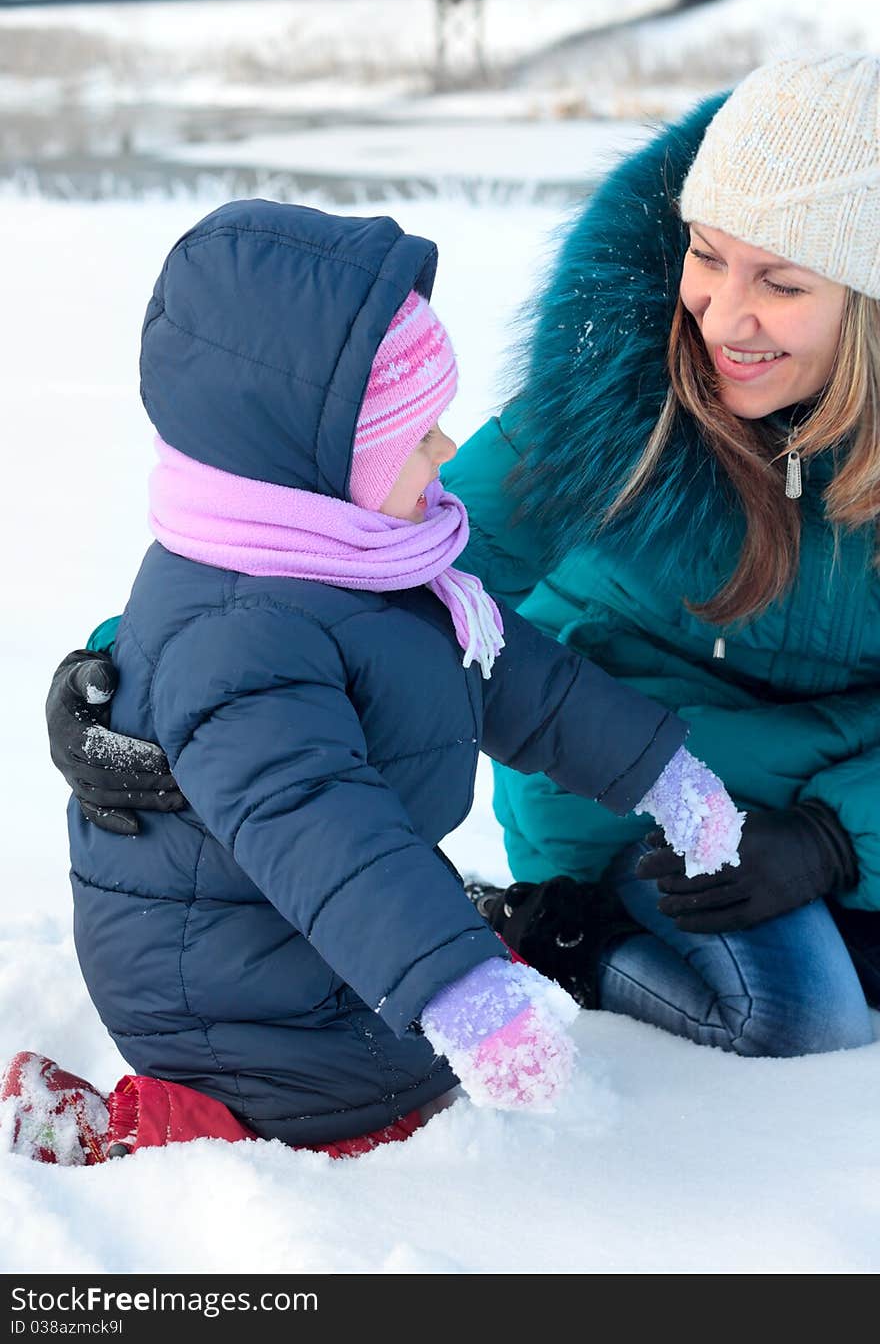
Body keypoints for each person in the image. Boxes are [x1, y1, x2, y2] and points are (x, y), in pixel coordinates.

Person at [44, 52, 880, 1063]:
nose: (720, 316)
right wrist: (132, 669)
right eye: (705, 256)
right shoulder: (620, 408)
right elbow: (340, 554)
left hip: (845, 785)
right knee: (803, 1019)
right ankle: (557, 930)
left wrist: (841, 837)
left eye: (781, 282)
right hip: (641, 778)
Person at [4, 198, 737, 1166]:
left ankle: (426, 975)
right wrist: (459, 992)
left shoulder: (365, 554)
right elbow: (318, 820)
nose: (445, 452)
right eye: (414, 434)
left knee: (415, 1041)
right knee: (351, 1109)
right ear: (314, 461)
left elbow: (519, 680)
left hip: (300, 926)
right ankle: (135, 1129)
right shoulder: (247, 632)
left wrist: (661, 775)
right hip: (227, 989)